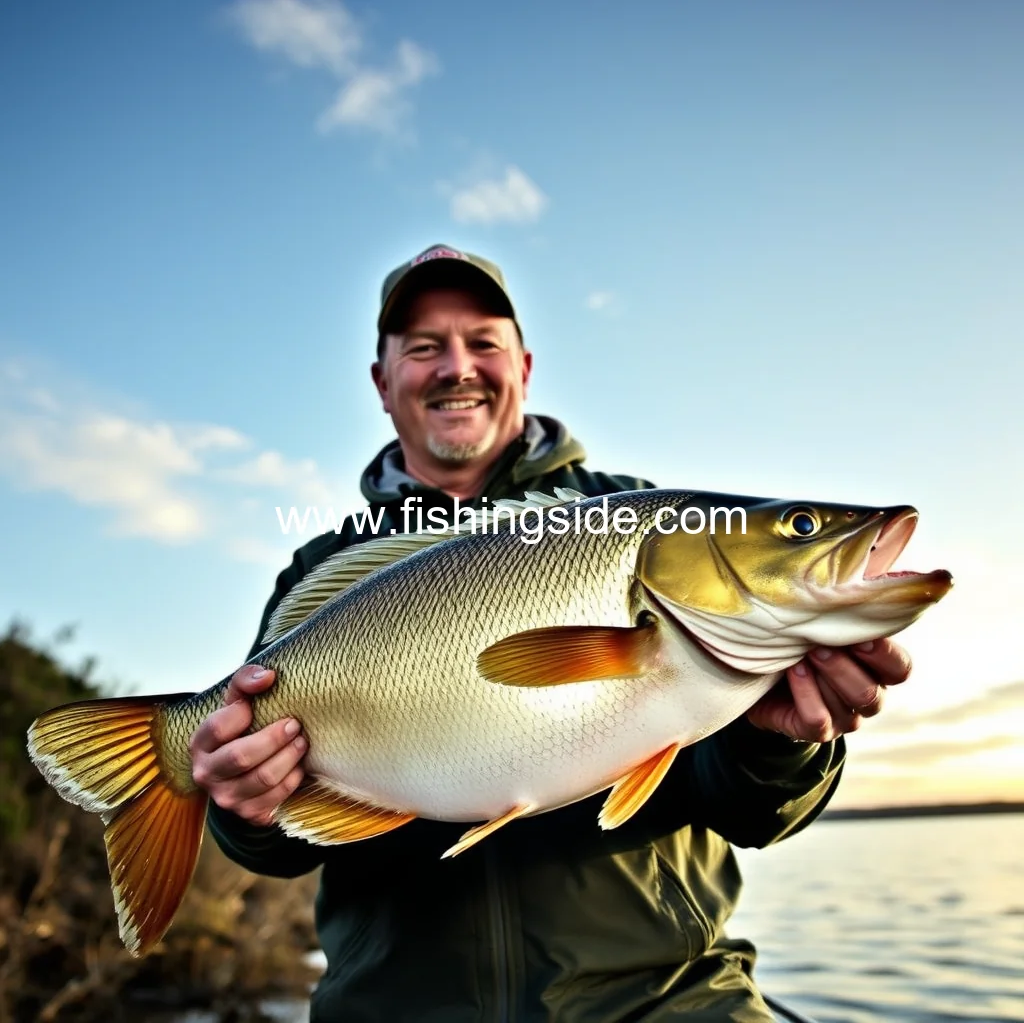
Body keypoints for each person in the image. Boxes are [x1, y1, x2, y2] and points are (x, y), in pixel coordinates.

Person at [190, 244, 913, 1021]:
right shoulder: (325, 570)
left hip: (666, 1002)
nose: (456, 367)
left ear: (523, 367)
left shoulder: (640, 518)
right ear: (382, 382)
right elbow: (278, 841)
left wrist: (777, 743)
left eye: (483, 342)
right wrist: (242, 804)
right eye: (424, 347)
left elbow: (755, 813)